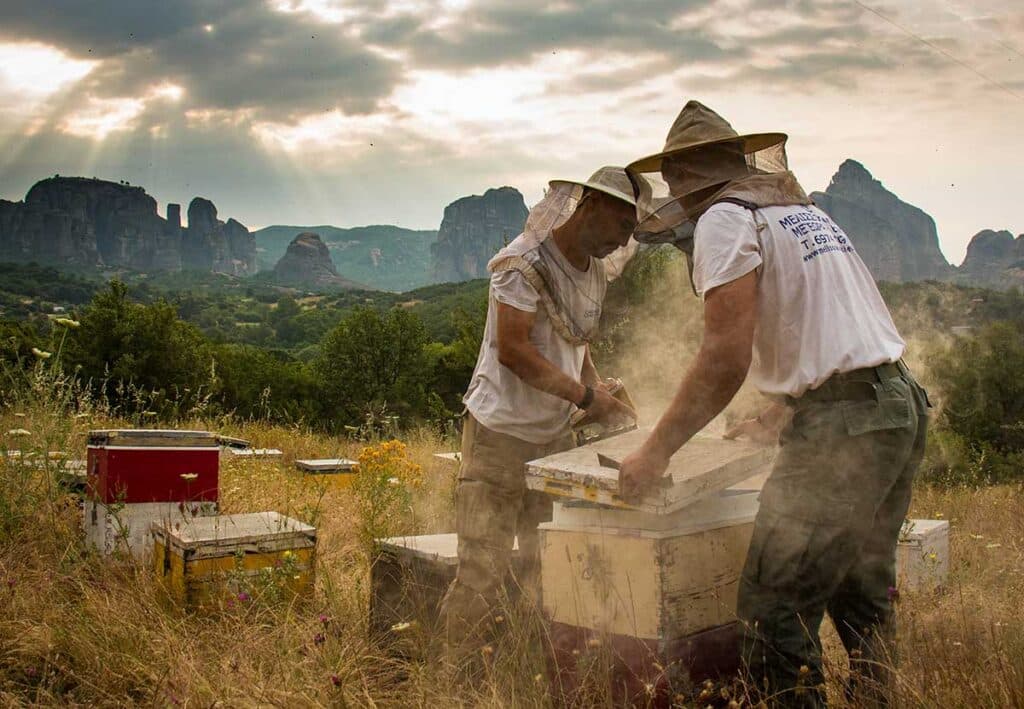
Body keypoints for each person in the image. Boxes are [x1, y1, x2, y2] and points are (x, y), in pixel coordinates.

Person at [618, 101, 929, 707]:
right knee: (861, 591)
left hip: (847, 425)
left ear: (681, 180)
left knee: (772, 611)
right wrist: (781, 411)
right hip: (896, 403)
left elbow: (723, 359)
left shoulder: (725, 220)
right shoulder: (802, 214)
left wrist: (654, 452)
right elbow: (837, 331)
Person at [439, 167, 639, 651]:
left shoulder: (593, 271)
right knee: (481, 572)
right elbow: (514, 349)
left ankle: (523, 674)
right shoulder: (522, 262)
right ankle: (450, 683)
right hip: (500, 436)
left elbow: (577, 339)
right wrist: (588, 398)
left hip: (554, 441)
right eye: (619, 226)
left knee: (543, 565)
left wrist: (597, 389)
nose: (622, 241)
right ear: (589, 205)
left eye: (630, 232)